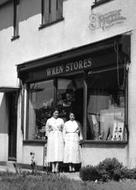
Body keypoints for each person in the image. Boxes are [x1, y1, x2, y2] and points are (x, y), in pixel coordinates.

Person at [45, 108, 64, 173]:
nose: (56, 114)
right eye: (55, 113)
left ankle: (57, 167)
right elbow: (46, 129)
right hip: (52, 137)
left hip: (59, 137)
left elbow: (64, 129)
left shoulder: (61, 120)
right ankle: (53, 166)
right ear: (52, 113)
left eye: (57, 113)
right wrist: (49, 133)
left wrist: (61, 130)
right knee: (52, 151)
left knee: (58, 151)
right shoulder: (49, 120)